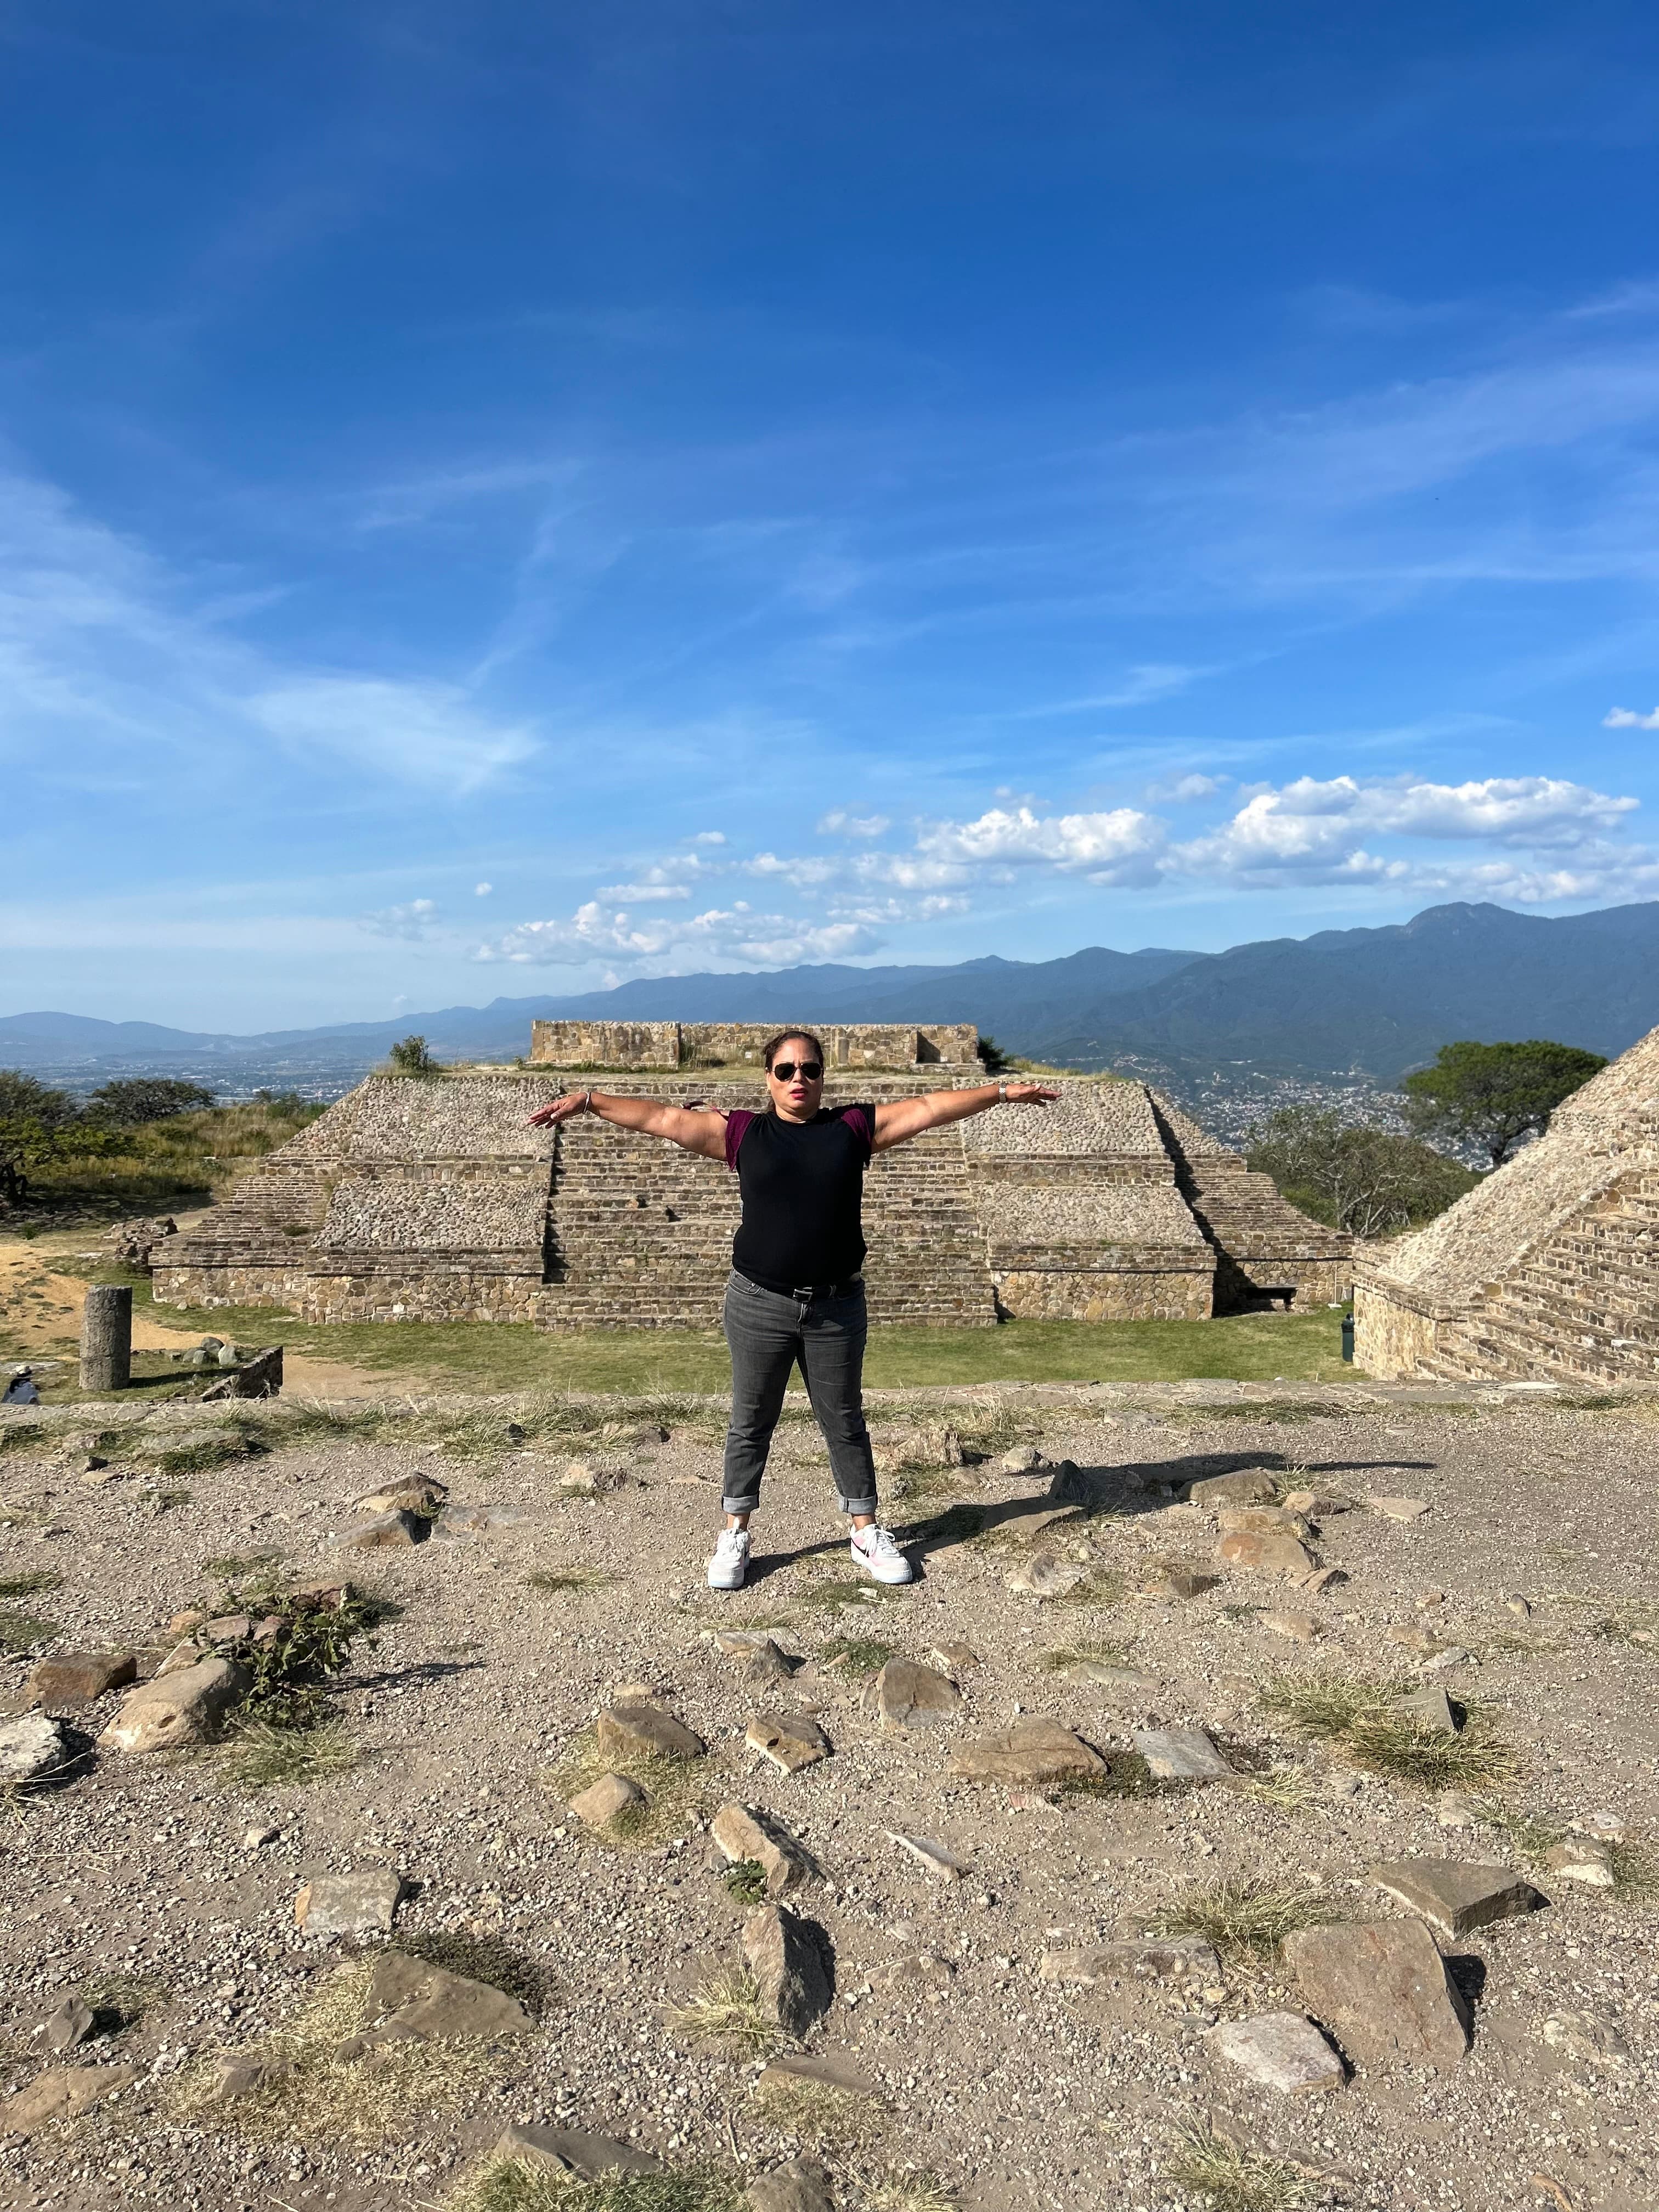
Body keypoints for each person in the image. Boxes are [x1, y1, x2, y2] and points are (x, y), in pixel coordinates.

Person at [527, 1031, 1058, 1590]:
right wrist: (590, 1101)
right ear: (768, 1079)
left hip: (836, 1307)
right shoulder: (742, 1134)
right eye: (785, 1071)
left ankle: (865, 1531)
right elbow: (660, 1119)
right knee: (751, 1420)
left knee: (845, 1419)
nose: (798, 1079)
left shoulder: (851, 1129)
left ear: (823, 1076)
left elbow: (927, 1109)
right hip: (758, 1303)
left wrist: (999, 1092)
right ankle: (735, 1533)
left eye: (809, 1069)